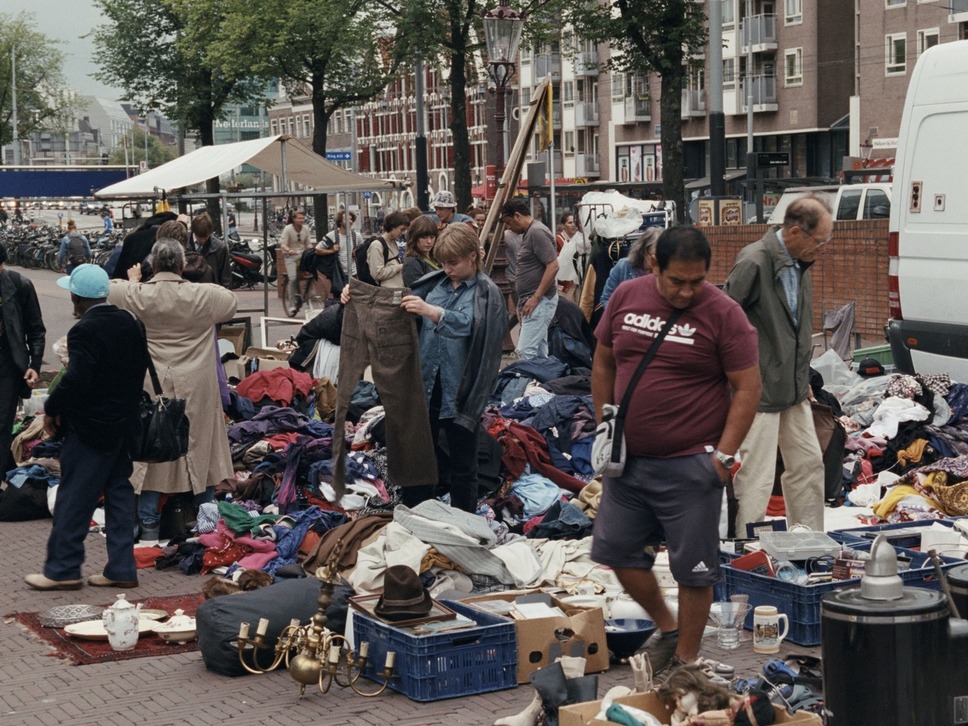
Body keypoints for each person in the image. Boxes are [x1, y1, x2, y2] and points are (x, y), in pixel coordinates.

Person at [591, 226, 761, 678]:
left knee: (695, 570)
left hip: (691, 463)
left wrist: (723, 457)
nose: (687, 291)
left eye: (697, 280)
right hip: (627, 462)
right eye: (677, 281)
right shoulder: (626, 297)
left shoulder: (724, 314)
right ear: (654, 266)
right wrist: (603, 423)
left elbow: (748, 387)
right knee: (616, 551)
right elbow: (604, 359)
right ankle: (668, 629)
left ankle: (686, 661)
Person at [343, 224, 507, 512]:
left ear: (472, 256)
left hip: (461, 390)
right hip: (426, 387)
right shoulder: (436, 284)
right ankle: (417, 517)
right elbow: (391, 304)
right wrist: (354, 294)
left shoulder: (486, 293)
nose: (448, 268)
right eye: (443, 262)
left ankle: (462, 523)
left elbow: (471, 326)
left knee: (462, 464)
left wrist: (433, 312)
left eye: (454, 262)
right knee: (419, 458)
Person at [25, 265, 148, 591]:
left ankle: (62, 569)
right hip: (124, 426)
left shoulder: (85, 330)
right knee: (120, 495)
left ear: (77, 297)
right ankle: (122, 568)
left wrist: (52, 407)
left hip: (92, 429)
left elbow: (78, 380)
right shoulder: (130, 322)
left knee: (73, 497)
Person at [109, 238, 238, 542]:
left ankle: (149, 529)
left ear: (152, 264)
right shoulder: (203, 297)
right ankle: (207, 530)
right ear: (182, 265)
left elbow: (108, 289)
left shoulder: (136, 295)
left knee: (154, 454)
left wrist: (134, 281)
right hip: (197, 388)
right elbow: (230, 301)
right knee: (201, 451)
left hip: (154, 387)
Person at [724, 195, 831, 534]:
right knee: (756, 473)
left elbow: (796, 330)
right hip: (759, 391)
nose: (823, 248)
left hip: (793, 388)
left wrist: (805, 382)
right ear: (796, 232)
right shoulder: (755, 260)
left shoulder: (801, 262)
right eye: (820, 240)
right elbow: (725, 318)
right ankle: (744, 543)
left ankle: (809, 538)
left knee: (809, 464)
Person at [0, 247, 45, 475]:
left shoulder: (19, 285)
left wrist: (34, 366)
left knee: (2, 424)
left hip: (8, 363)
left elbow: (36, 330)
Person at [502, 198, 558, 359]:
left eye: (509, 222)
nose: (509, 227)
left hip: (538, 302)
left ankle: (523, 384)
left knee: (525, 352)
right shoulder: (532, 232)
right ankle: (542, 383)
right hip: (535, 301)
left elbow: (553, 265)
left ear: (517, 216)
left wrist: (535, 297)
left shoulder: (536, 232)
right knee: (539, 352)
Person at [598, 227, 660, 309]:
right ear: (643, 250)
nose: (655, 260)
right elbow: (605, 299)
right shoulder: (623, 266)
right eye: (653, 255)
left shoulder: (663, 273)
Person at [315, 210, 358, 298]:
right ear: (340, 221)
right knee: (339, 299)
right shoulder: (332, 235)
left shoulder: (356, 236)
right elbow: (317, 250)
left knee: (353, 299)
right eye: (346, 219)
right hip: (339, 274)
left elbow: (361, 250)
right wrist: (332, 250)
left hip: (354, 273)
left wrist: (356, 252)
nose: (350, 221)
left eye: (351, 219)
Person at [360, 211, 407, 287]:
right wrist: (399, 267)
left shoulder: (394, 242)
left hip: (396, 291)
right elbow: (377, 274)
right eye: (402, 229)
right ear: (392, 227)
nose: (403, 232)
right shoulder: (377, 245)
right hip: (385, 294)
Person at [280, 210, 313, 316]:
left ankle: (311, 295)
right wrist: (289, 250)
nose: (301, 220)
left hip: (302, 256)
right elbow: (283, 244)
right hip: (290, 257)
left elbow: (308, 243)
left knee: (312, 274)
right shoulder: (288, 229)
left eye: (302, 218)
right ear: (294, 219)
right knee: (293, 278)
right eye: (299, 218)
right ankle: (292, 304)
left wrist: (311, 250)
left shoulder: (306, 229)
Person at [189, 213, 232, 288]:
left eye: (205, 237)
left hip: (212, 292)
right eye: (198, 237)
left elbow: (225, 277)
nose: (202, 240)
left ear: (210, 233)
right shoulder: (182, 244)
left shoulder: (220, 248)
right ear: (193, 232)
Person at [403, 215, 440, 286]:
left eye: (432, 237)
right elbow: (417, 290)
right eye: (424, 237)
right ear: (414, 238)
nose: (429, 241)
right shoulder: (412, 262)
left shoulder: (438, 258)